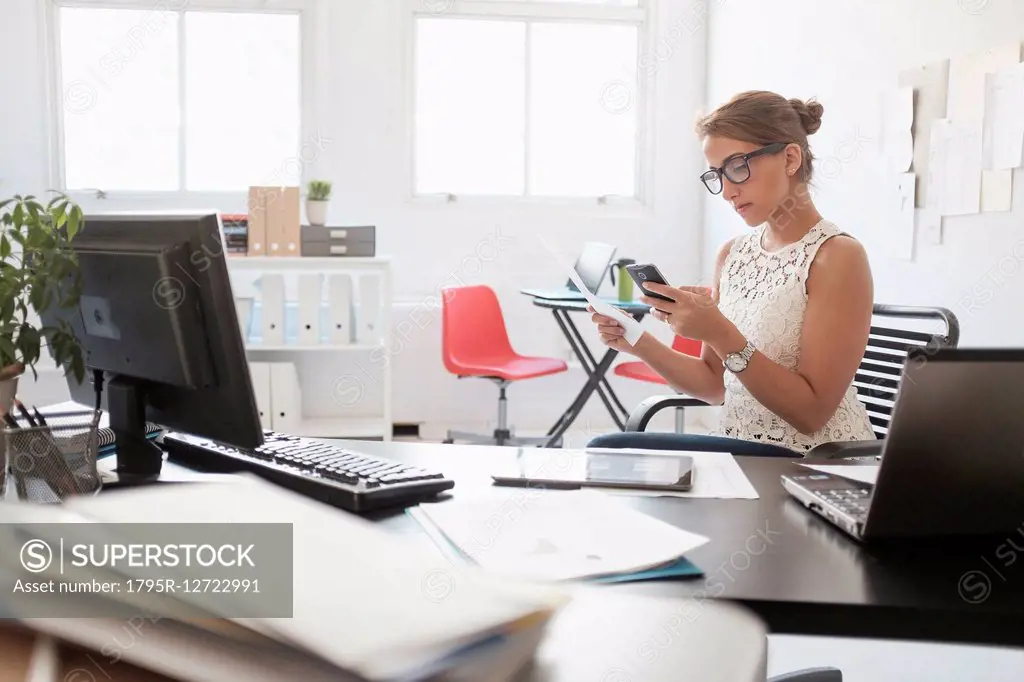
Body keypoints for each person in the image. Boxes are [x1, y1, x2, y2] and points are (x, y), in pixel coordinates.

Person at [588, 91, 876, 457]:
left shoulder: (837, 257)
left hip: (816, 464)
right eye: (717, 175)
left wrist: (719, 331)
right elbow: (715, 386)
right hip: (739, 454)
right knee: (610, 455)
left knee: (609, 448)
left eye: (738, 167)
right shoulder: (733, 254)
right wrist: (636, 341)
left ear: (790, 158)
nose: (726, 191)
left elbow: (812, 413)